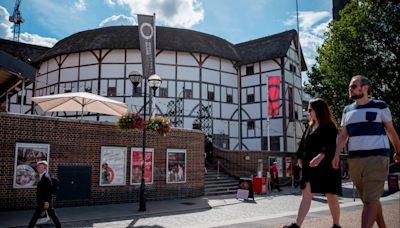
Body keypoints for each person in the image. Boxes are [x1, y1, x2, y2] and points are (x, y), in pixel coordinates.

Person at [332, 75, 400, 228]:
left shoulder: (380, 106)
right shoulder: (347, 110)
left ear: (365, 87)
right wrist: (336, 155)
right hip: (355, 160)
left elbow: (390, 131)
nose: (350, 88)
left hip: (377, 158)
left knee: (370, 200)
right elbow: (343, 135)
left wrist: (398, 150)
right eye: (350, 86)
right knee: (370, 199)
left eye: (354, 86)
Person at [284, 98, 342, 228]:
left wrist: (321, 156)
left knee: (331, 195)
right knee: (306, 195)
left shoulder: (330, 126)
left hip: (327, 166)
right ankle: (297, 225)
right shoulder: (309, 126)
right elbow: (303, 144)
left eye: (310, 109)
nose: (307, 111)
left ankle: (336, 225)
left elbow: (331, 145)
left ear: (318, 110)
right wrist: (299, 157)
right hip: (310, 167)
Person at [28, 160, 61, 228]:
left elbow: (48, 191)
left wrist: (46, 201)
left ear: (44, 168)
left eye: (39, 167)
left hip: (45, 201)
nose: (37, 168)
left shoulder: (45, 177)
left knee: (37, 215)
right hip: (43, 200)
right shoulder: (42, 176)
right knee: (51, 214)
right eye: (37, 167)